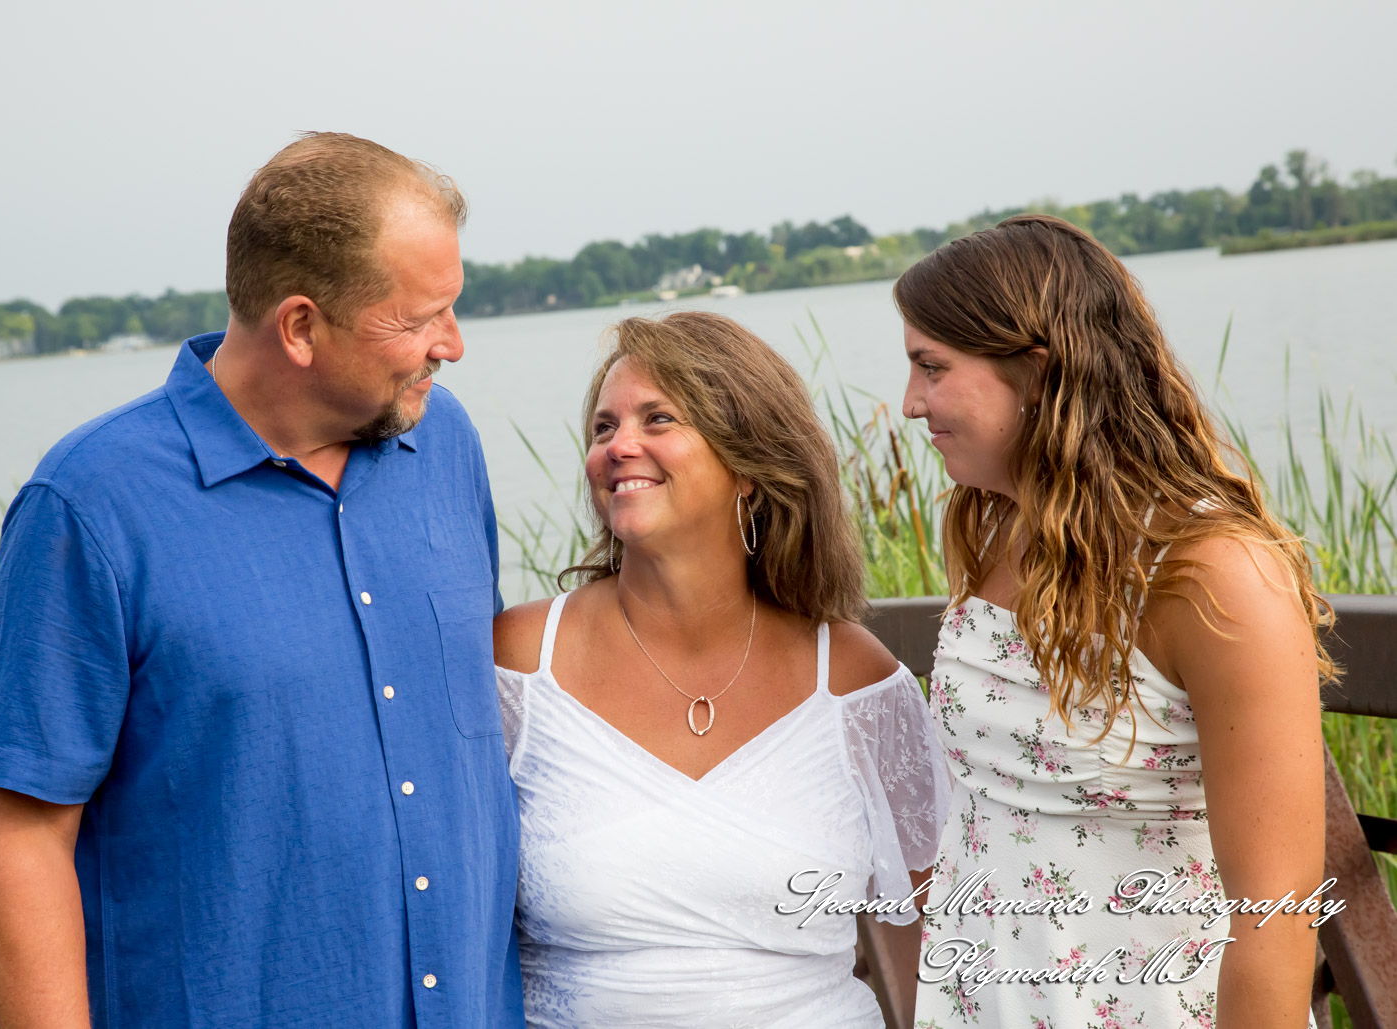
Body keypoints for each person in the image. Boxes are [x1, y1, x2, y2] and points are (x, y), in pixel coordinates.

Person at [0, 133, 523, 1028]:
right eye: (420, 319)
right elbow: (17, 834)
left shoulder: (446, 443)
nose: (450, 344)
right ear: (300, 327)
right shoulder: (91, 504)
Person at [898, 214, 1332, 1029]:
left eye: (931, 367)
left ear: (1035, 372)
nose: (911, 403)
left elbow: (1275, 915)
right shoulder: (999, 529)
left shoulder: (1213, 573)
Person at [491, 311, 951, 1028]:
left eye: (657, 418)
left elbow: (926, 929)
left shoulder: (855, 678)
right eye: (604, 427)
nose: (619, 446)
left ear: (748, 467)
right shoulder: (521, 662)